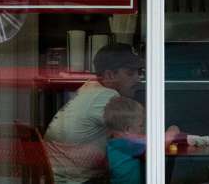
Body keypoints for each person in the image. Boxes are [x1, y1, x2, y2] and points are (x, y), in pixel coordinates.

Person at [43, 44, 144, 184]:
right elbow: (135, 136)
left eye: (138, 72)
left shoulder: (90, 88)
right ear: (110, 75)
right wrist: (171, 133)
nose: (137, 79)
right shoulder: (106, 96)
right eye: (130, 73)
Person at [103, 96, 146, 184]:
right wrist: (173, 130)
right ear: (128, 129)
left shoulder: (111, 145)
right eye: (141, 126)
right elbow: (159, 146)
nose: (143, 129)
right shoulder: (127, 146)